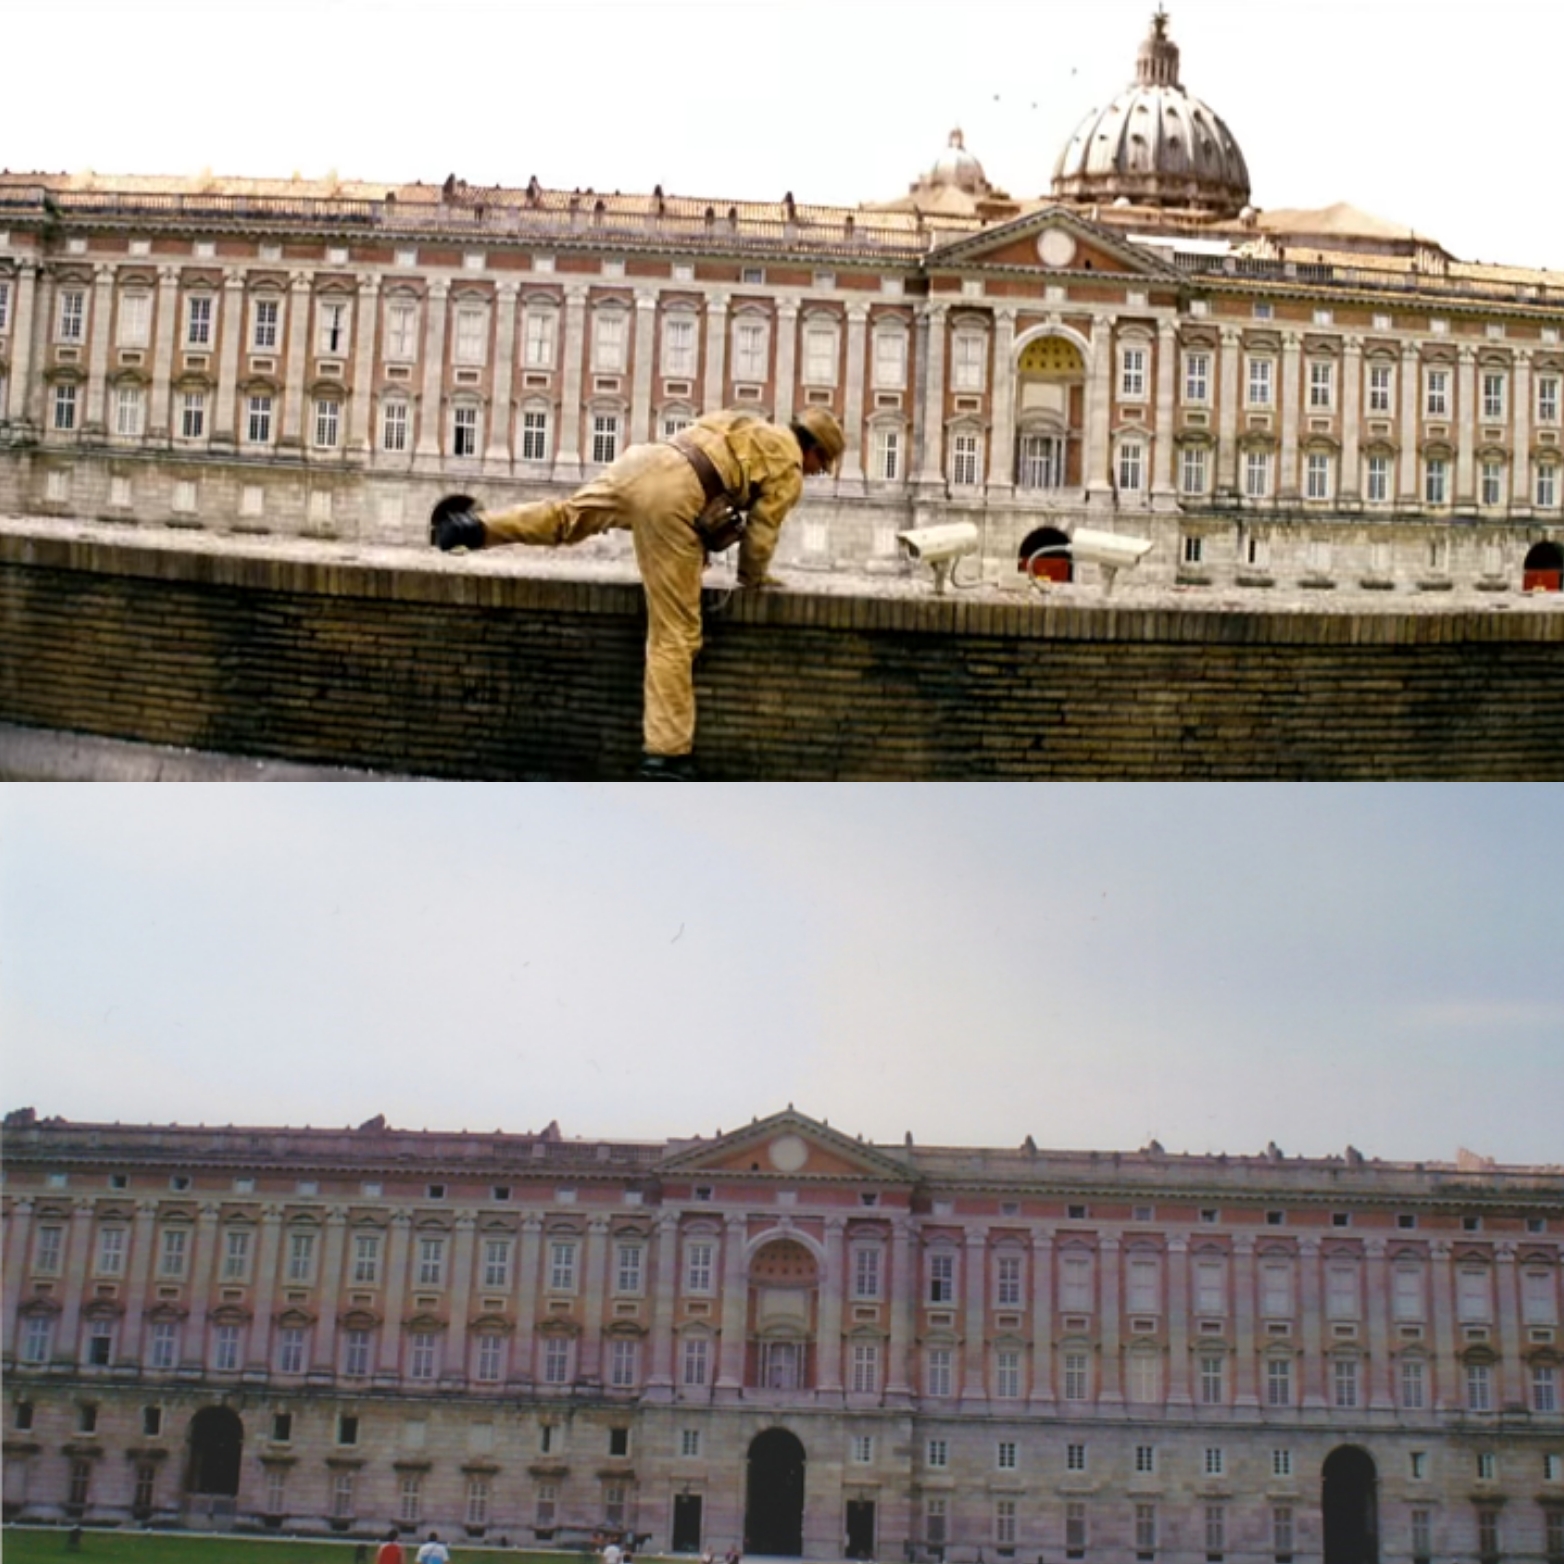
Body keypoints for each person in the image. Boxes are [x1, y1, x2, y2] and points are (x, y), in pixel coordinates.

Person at [431, 406, 845, 780]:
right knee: (675, 636)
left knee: (567, 519)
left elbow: (705, 450)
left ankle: (474, 527)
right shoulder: (788, 466)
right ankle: (666, 757)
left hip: (645, 460)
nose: (815, 473)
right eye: (821, 465)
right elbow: (760, 535)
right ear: (812, 449)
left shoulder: (746, 421)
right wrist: (753, 578)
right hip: (676, 497)